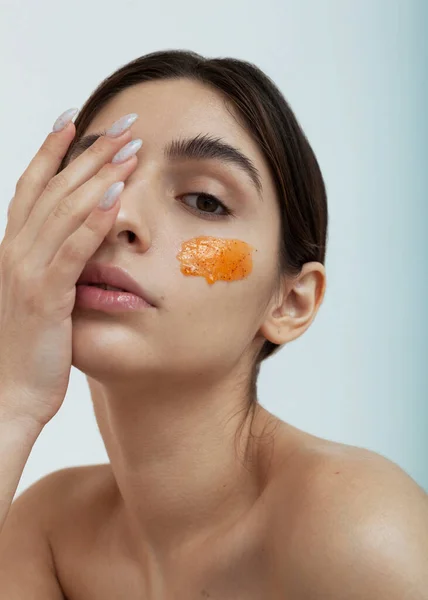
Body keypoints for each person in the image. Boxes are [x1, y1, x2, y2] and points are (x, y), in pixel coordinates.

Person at [0, 49, 426, 599]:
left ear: (291, 302)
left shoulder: (359, 530)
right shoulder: (47, 530)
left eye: (205, 200)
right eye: (95, 181)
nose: (119, 218)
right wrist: (11, 399)